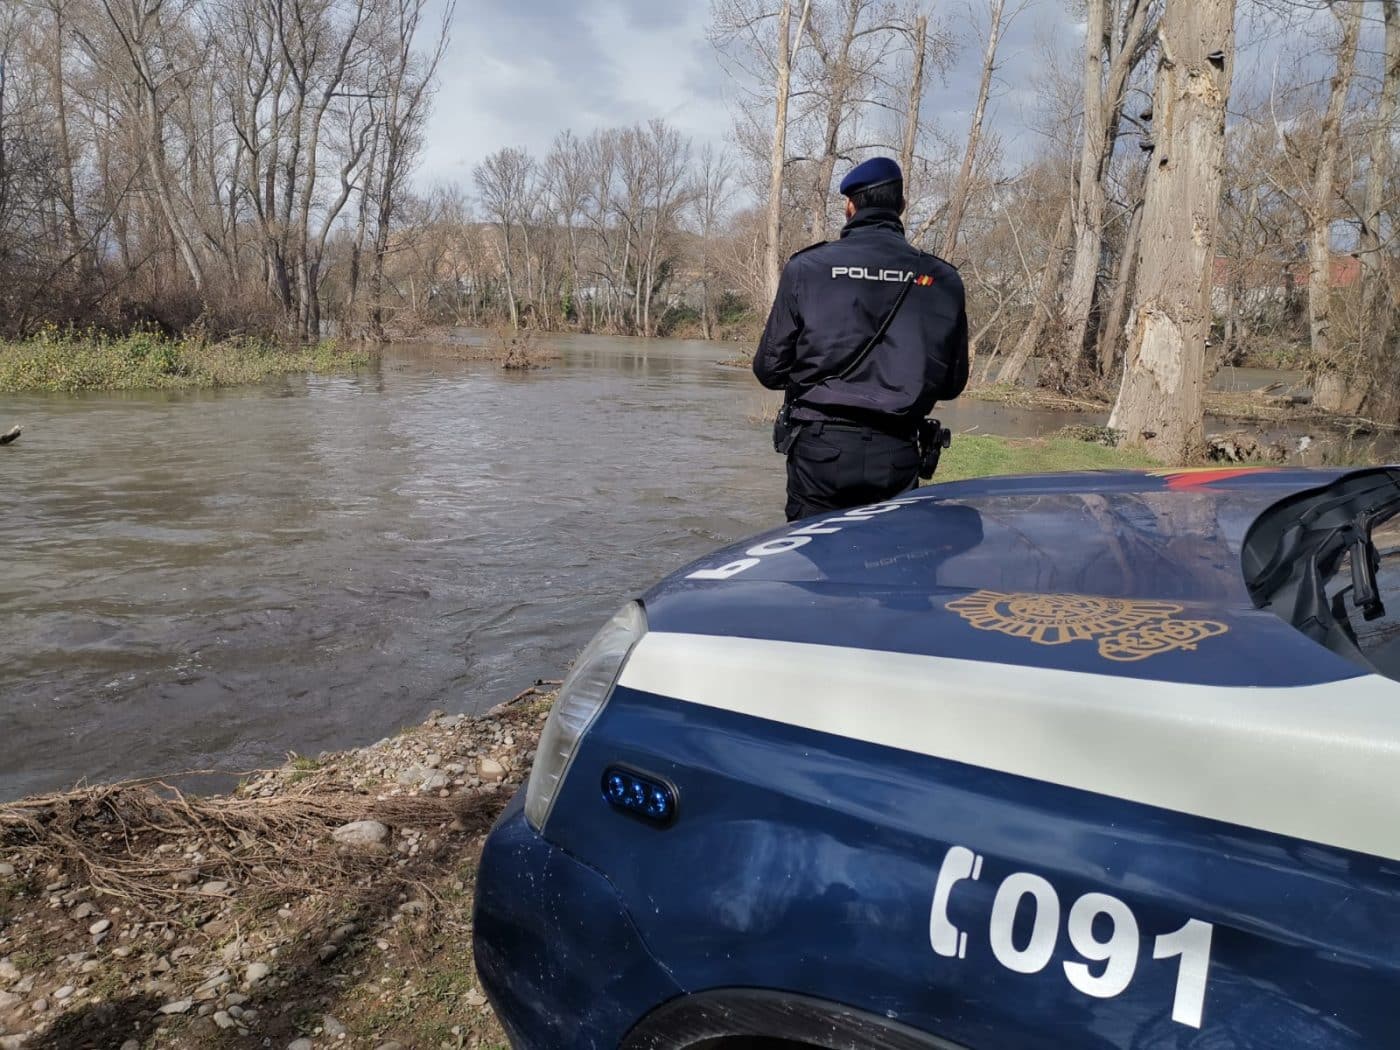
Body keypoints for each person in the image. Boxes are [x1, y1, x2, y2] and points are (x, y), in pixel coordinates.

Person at [753, 157, 969, 521]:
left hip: (820, 451)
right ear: (901, 207)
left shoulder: (808, 268)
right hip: (898, 450)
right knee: (888, 558)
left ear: (849, 207)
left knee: (812, 561)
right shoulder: (942, 279)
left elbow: (769, 370)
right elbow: (951, 383)